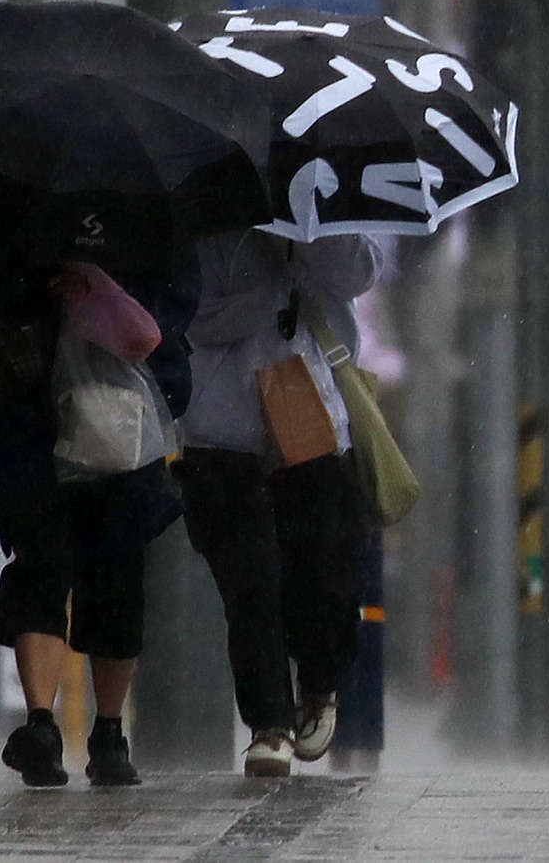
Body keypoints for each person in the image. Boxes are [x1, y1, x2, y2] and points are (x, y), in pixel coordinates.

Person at [0, 228, 197, 788]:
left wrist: (102, 290)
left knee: (115, 566)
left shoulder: (149, 212)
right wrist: (38, 267)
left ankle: (108, 731)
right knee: (41, 561)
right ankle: (42, 725)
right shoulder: (19, 197)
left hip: (118, 408)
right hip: (32, 404)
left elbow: (174, 308)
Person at [173, 227, 381, 777]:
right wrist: (270, 295)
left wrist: (304, 243)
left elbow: (359, 274)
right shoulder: (199, 222)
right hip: (222, 430)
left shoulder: (328, 209)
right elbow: (188, 317)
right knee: (250, 581)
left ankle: (319, 682)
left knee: (327, 567)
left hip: (313, 416)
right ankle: (270, 722)